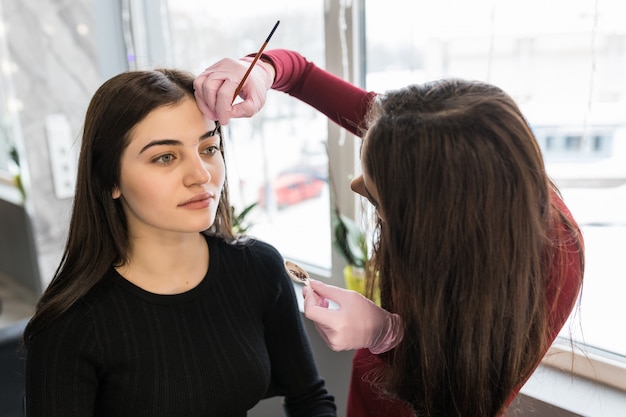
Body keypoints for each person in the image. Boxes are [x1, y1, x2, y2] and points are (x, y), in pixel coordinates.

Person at [193, 49, 585, 417]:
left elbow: (466, 396)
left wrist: (388, 334)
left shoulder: (555, 266)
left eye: (380, 201)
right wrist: (262, 69)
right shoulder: (421, 134)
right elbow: (300, 74)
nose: (357, 185)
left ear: (438, 223)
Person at [22, 68, 337, 417]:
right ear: (109, 179)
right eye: (165, 157)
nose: (201, 175)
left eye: (208, 147)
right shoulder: (70, 326)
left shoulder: (258, 268)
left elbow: (311, 399)